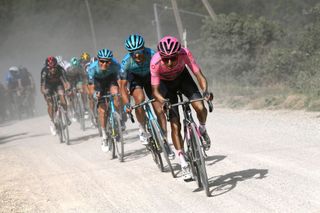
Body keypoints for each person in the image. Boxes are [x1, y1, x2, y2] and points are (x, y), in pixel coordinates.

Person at [150, 36, 213, 180]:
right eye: (166, 59)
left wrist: (205, 91)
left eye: (173, 58)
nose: (170, 62)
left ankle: (202, 129)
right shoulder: (155, 62)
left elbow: (199, 75)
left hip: (183, 78)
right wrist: (163, 101)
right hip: (166, 86)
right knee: (175, 124)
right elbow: (155, 91)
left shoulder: (185, 53)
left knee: (200, 106)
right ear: (161, 57)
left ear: (178, 54)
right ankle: (183, 162)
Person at [119, 34, 174, 159]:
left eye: (139, 51)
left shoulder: (152, 54)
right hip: (135, 80)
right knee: (140, 100)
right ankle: (142, 128)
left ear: (143, 49)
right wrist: (127, 104)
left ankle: (165, 141)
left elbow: (163, 73)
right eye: (133, 53)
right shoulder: (126, 62)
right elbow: (122, 86)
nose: (137, 55)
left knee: (159, 110)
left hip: (150, 78)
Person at [87, 48, 121, 151]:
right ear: (98, 60)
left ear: (111, 61)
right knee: (102, 110)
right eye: (102, 61)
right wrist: (94, 94)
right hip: (98, 83)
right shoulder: (92, 68)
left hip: (111, 79)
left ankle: (117, 117)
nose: (105, 64)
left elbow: (120, 80)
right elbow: (90, 85)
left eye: (107, 61)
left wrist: (122, 91)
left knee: (116, 94)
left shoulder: (116, 65)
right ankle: (104, 135)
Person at [40, 56, 71, 135]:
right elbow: (42, 86)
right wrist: (44, 92)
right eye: (51, 68)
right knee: (50, 104)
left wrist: (67, 88)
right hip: (48, 87)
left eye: (54, 67)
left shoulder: (60, 69)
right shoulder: (44, 71)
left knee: (62, 96)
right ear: (47, 68)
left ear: (57, 65)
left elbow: (67, 82)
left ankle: (66, 115)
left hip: (58, 84)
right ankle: (53, 121)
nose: (53, 69)